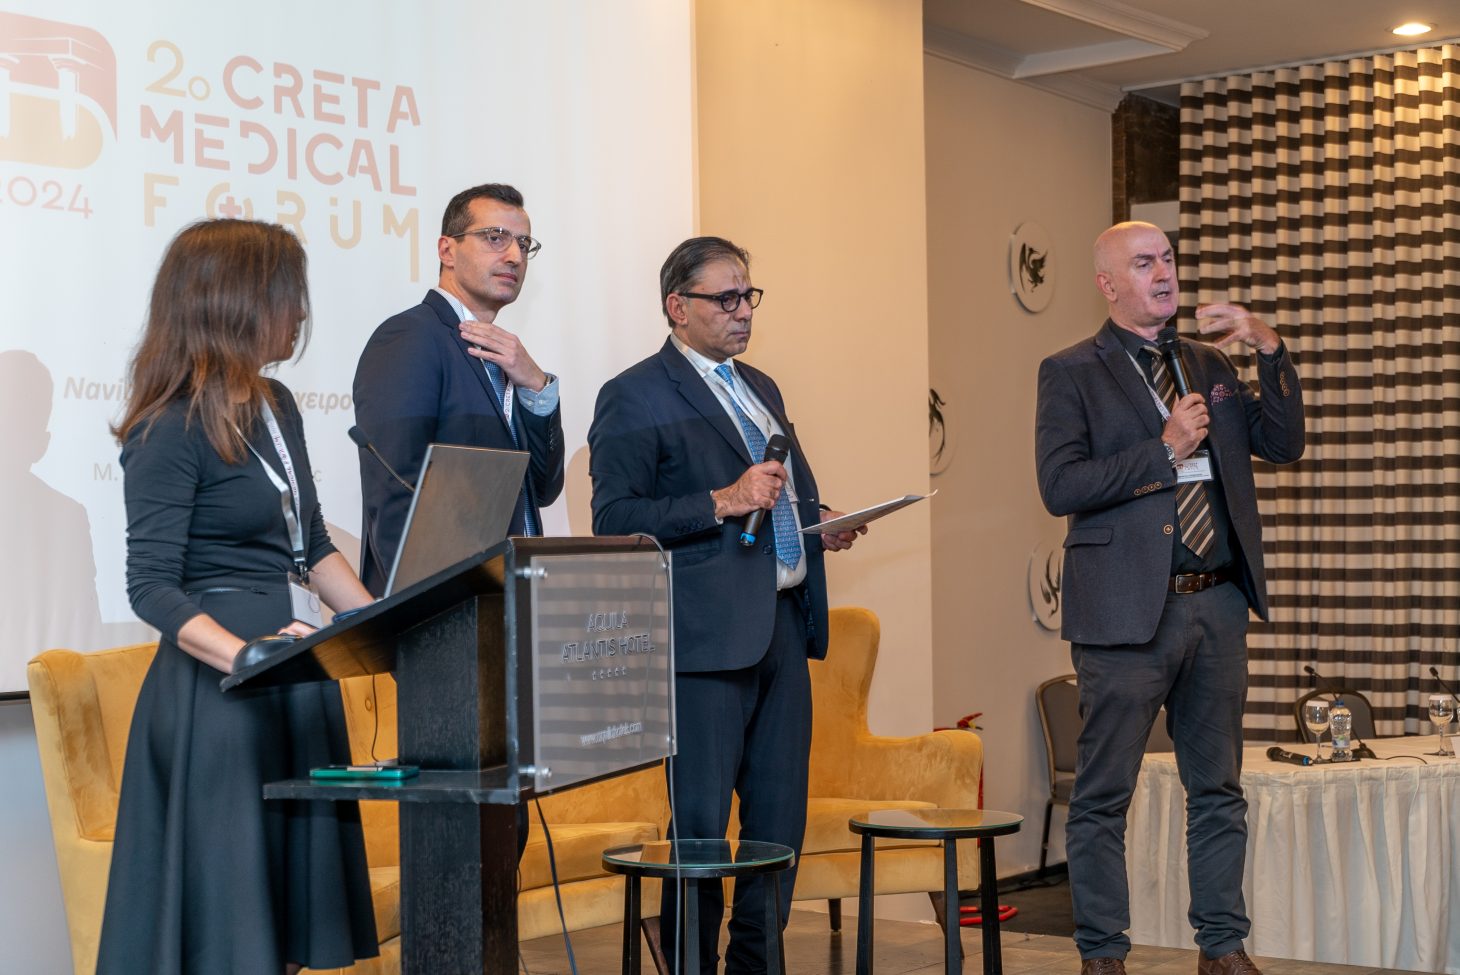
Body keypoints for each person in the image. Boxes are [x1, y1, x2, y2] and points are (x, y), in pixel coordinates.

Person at [99, 219, 379, 974]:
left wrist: (376, 622)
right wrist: (248, 657)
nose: (300, 312)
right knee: (232, 929)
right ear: (237, 301)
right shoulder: (167, 426)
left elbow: (311, 543)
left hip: (295, 678)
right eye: (289, 294)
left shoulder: (277, 404)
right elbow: (150, 587)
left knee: (287, 923)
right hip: (222, 695)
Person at [1034, 222, 1306, 975]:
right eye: (1144, 263)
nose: (1164, 273)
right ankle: (1103, 954)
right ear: (1108, 283)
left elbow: (1283, 444)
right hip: (1125, 615)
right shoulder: (1070, 371)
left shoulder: (1208, 362)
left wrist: (1269, 347)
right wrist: (1163, 449)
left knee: (1217, 789)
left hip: (1214, 604)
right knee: (1104, 795)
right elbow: (1060, 485)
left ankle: (1222, 947)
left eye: (1169, 259)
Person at [587, 236, 863, 973]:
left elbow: (776, 491)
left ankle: (755, 964)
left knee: (778, 826)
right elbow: (615, 518)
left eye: (749, 296)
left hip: (782, 626)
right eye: (726, 298)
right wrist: (721, 499)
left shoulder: (761, 386)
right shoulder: (634, 393)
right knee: (702, 831)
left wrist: (816, 520)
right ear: (678, 307)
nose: (744, 311)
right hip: (703, 641)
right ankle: (689, 963)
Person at [353, 182, 564, 595]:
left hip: (511, 595)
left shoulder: (506, 355)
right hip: (445, 603)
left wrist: (537, 387)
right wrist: (429, 608)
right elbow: (397, 493)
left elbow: (542, 488)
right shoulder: (410, 337)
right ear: (447, 251)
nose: (515, 255)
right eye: (495, 237)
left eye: (523, 243)